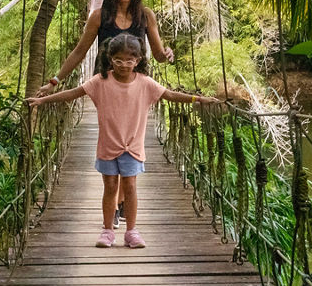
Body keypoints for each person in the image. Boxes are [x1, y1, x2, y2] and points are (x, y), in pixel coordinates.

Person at [28, 33, 218, 249]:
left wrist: (198, 99)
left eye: (130, 60)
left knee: (130, 187)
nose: (124, 65)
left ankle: (131, 232)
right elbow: (73, 93)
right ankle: (107, 231)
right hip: (108, 145)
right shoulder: (100, 82)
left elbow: (171, 95)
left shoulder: (146, 83)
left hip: (132, 147)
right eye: (119, 60)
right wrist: (43, 100)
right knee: (109, 187)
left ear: (138, 60)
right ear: (110, 59)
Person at [34, 0, 174, 98]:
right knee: (111, 122)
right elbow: (79, 52)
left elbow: (158, 56)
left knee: (132, 123)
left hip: (136, 81)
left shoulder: (146, 15)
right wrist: (54, 81)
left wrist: (166, 54)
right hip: (106, 81)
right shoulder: (98, 16)